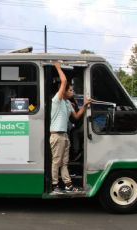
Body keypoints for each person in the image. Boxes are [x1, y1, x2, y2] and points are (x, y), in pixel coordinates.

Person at [50, 61, 91, 193]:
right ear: (64, 91)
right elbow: (64, 81)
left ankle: (68, 184)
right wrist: (57, 67)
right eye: (70, 90)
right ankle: (55, 185)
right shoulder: (57, 99)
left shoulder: (67, 103)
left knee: (64, 162)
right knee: (57, 161)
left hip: (65, 136)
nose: (72, 92)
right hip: (57, 135)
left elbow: (76, 117)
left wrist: (84, 106)